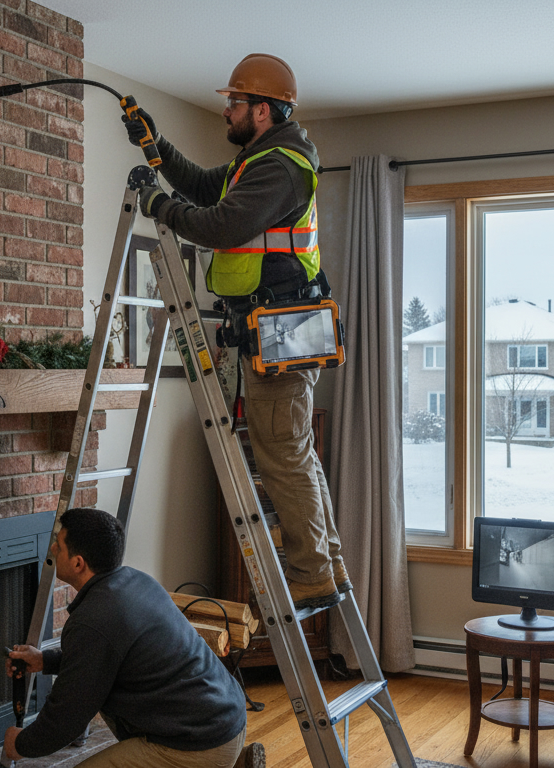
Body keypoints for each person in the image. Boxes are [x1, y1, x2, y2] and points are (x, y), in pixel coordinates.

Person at [125, 53, 349, 611]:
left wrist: (156, 202)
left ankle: (312, 572)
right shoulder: (262, 157)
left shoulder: (279, 166)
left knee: (282, 454)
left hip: (281, 324)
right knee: (294, 450)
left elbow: (220, 225)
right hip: (280, 324)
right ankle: (329, 564)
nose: (227, 110)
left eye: (236, 103)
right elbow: (205, 188)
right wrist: (157, 149)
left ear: (265, 110)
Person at [3, 507, 263, 768]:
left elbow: (66, 720)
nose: (52, 550)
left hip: (199, 742)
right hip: (227, 718)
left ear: (78, 562)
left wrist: (21, 744)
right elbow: (100, 659)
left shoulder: (93, 619)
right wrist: (44, 661)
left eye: (58, 545)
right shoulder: (136, 581)